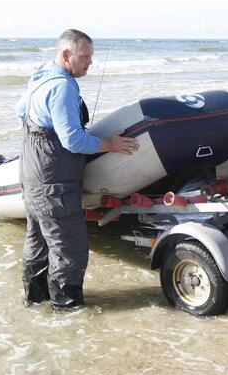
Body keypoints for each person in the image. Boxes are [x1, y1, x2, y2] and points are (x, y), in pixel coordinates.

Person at [17, 29, 138, 310]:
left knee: (38, 241)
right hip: (53, 181)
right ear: (66, 54)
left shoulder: (39, 78)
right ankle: (65, 308)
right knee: (68, 248)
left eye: (91, 57)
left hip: (32, 174)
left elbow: (20, 113)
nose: (89, 63)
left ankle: (34, 301)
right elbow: (72, 140)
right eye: (85, 57)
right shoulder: (62, 86)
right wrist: (110, 145)